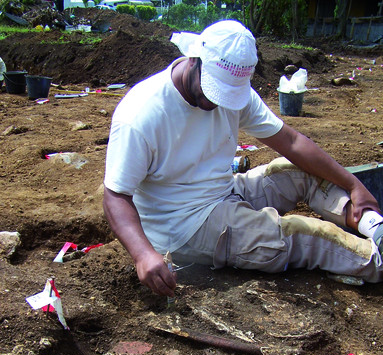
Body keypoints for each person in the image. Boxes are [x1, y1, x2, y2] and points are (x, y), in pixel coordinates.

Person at [104, 20, 383, 297]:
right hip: (183, 225)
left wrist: (353, 184)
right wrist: (143, 255)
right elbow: (115, 196)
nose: (217, 102)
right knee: (299, 233)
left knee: (296, 171)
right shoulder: (141, 115)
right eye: (213, 91)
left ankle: (371, 225)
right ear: (193, 59)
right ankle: (375, 261)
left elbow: (292, 142)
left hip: (225, 190)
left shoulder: (233, 91)